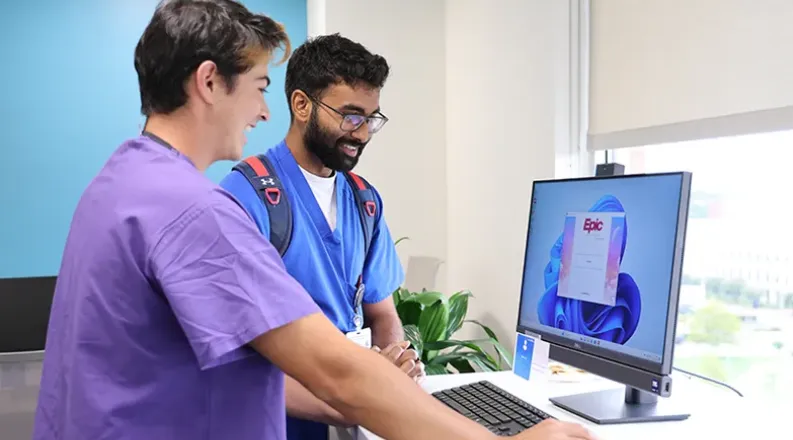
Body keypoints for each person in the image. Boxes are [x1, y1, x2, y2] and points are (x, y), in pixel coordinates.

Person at [32, 1, 595, 440]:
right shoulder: (198, 210)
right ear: (208, 82)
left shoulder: (118, 184)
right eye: (256, 87)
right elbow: (336, 372)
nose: (263, 110)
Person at [218, 33, 419, 439]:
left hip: (353, 420)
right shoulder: (246, 197)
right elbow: (232, 357)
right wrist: (348, 402)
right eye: (350, 115)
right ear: (302, 104)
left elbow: (382, 313)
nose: (361, 133)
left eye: (371, 118)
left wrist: (394, 362)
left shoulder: (365, 201)